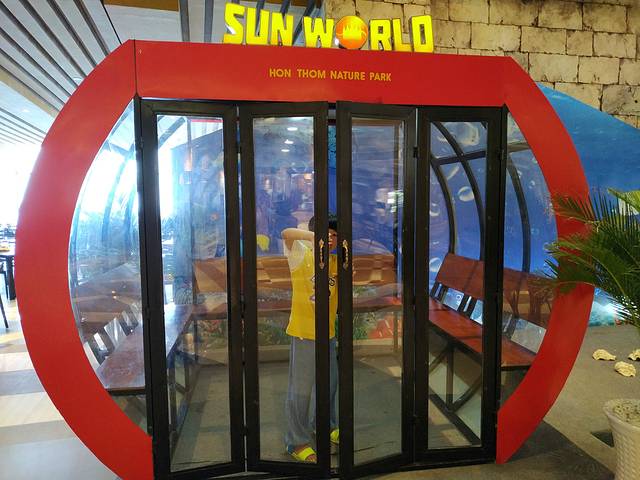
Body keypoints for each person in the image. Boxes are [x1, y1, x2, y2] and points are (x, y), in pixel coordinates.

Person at [281, 214, 339, 463]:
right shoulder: (300, 255)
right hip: (304, 334)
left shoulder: (336, 261)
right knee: (301, 390)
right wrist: (316, 238)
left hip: (328, 334)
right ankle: (296, 441)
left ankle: (325, 425)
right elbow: (287, 234)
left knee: (330, 384)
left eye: (335, 235)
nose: (331, 239)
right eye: (328, 234)